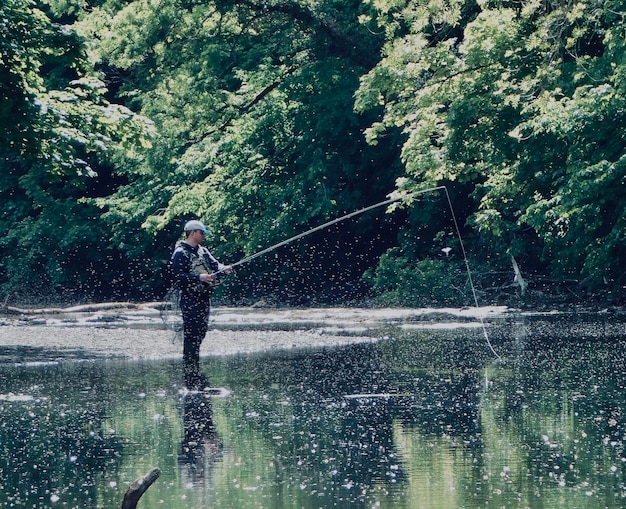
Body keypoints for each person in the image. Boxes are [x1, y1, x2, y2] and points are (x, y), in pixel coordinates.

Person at [171, 219, 232, 389]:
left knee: (201, 332)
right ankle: (190, 369)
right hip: (190, 300)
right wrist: (199, 277)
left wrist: (224, 267)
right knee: (191, 334)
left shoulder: (202, 251)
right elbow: (178, 277)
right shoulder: (180, 253)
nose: (204, 236)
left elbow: (215, 264)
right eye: (202, 233)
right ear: (193, 233)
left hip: (204, 298)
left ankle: (194, 367)